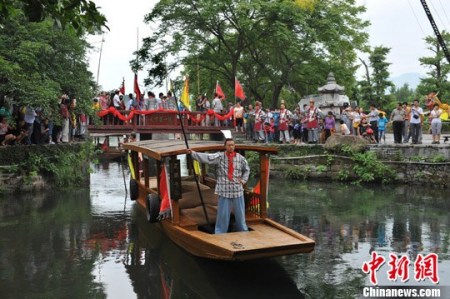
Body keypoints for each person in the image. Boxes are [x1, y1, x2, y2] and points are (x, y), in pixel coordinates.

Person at [187, 138, 250, 234]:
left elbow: (247, 170)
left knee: (240, 213)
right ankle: (220, 232)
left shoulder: (240, 158)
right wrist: (193, 154)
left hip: (237, 190)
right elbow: (208, 157)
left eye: (232, 145)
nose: (231, 147)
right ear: (225, 146)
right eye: (229, 145)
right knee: (223, 214)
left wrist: (243, 180)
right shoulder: (219, 157)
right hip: (224, 190)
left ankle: (243, 231)